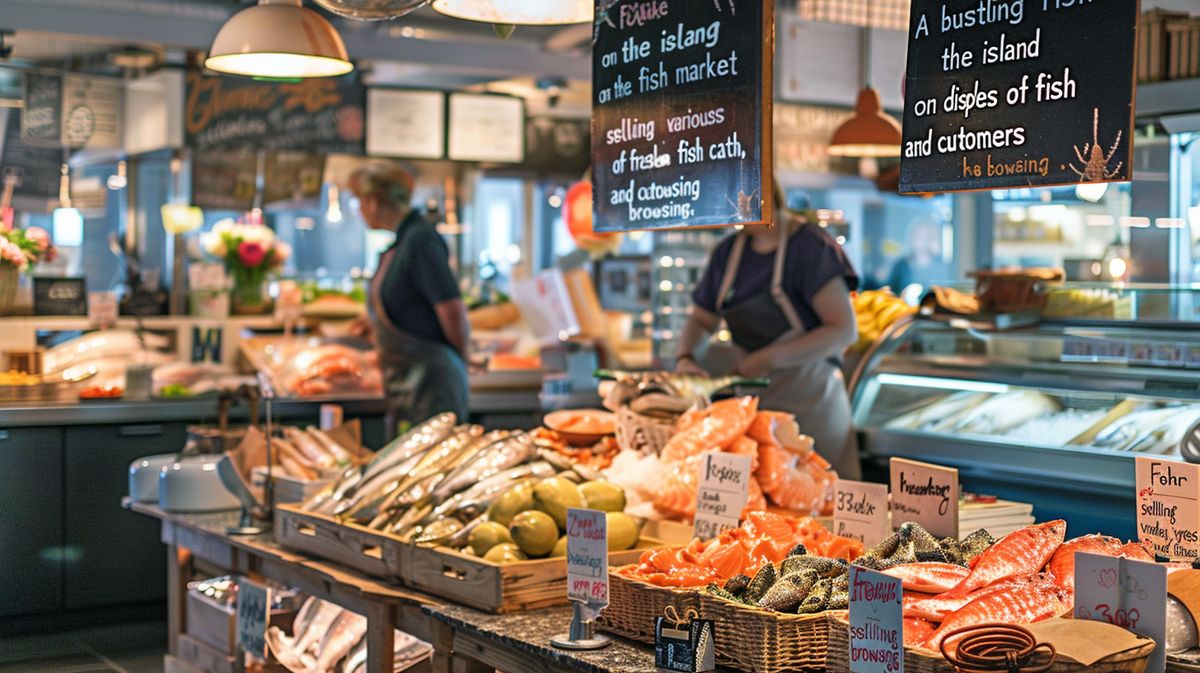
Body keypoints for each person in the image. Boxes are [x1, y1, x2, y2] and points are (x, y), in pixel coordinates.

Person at [674, 187, 862, 479]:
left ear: (764, 198)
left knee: (822, 499)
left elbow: (843, 330)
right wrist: (686, 358)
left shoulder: (811, 247)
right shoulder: (728, 253)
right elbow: (701, 320)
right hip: (757, 408)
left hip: (812, 405)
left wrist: (770, 357)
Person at [348, 164, 469, 436]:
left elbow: (452, 309)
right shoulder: (401, 243)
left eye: (360, 202)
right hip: (410, 382)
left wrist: (463, 358)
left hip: (432, 382)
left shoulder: (421, 239)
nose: (360, 211)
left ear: (374, 201)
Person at [886, 217, 951, 295]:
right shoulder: (900, 266)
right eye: (917, 235)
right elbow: (890, 292)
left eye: (925, 235)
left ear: (931, 238)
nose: (920, 239)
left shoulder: (941, 266)